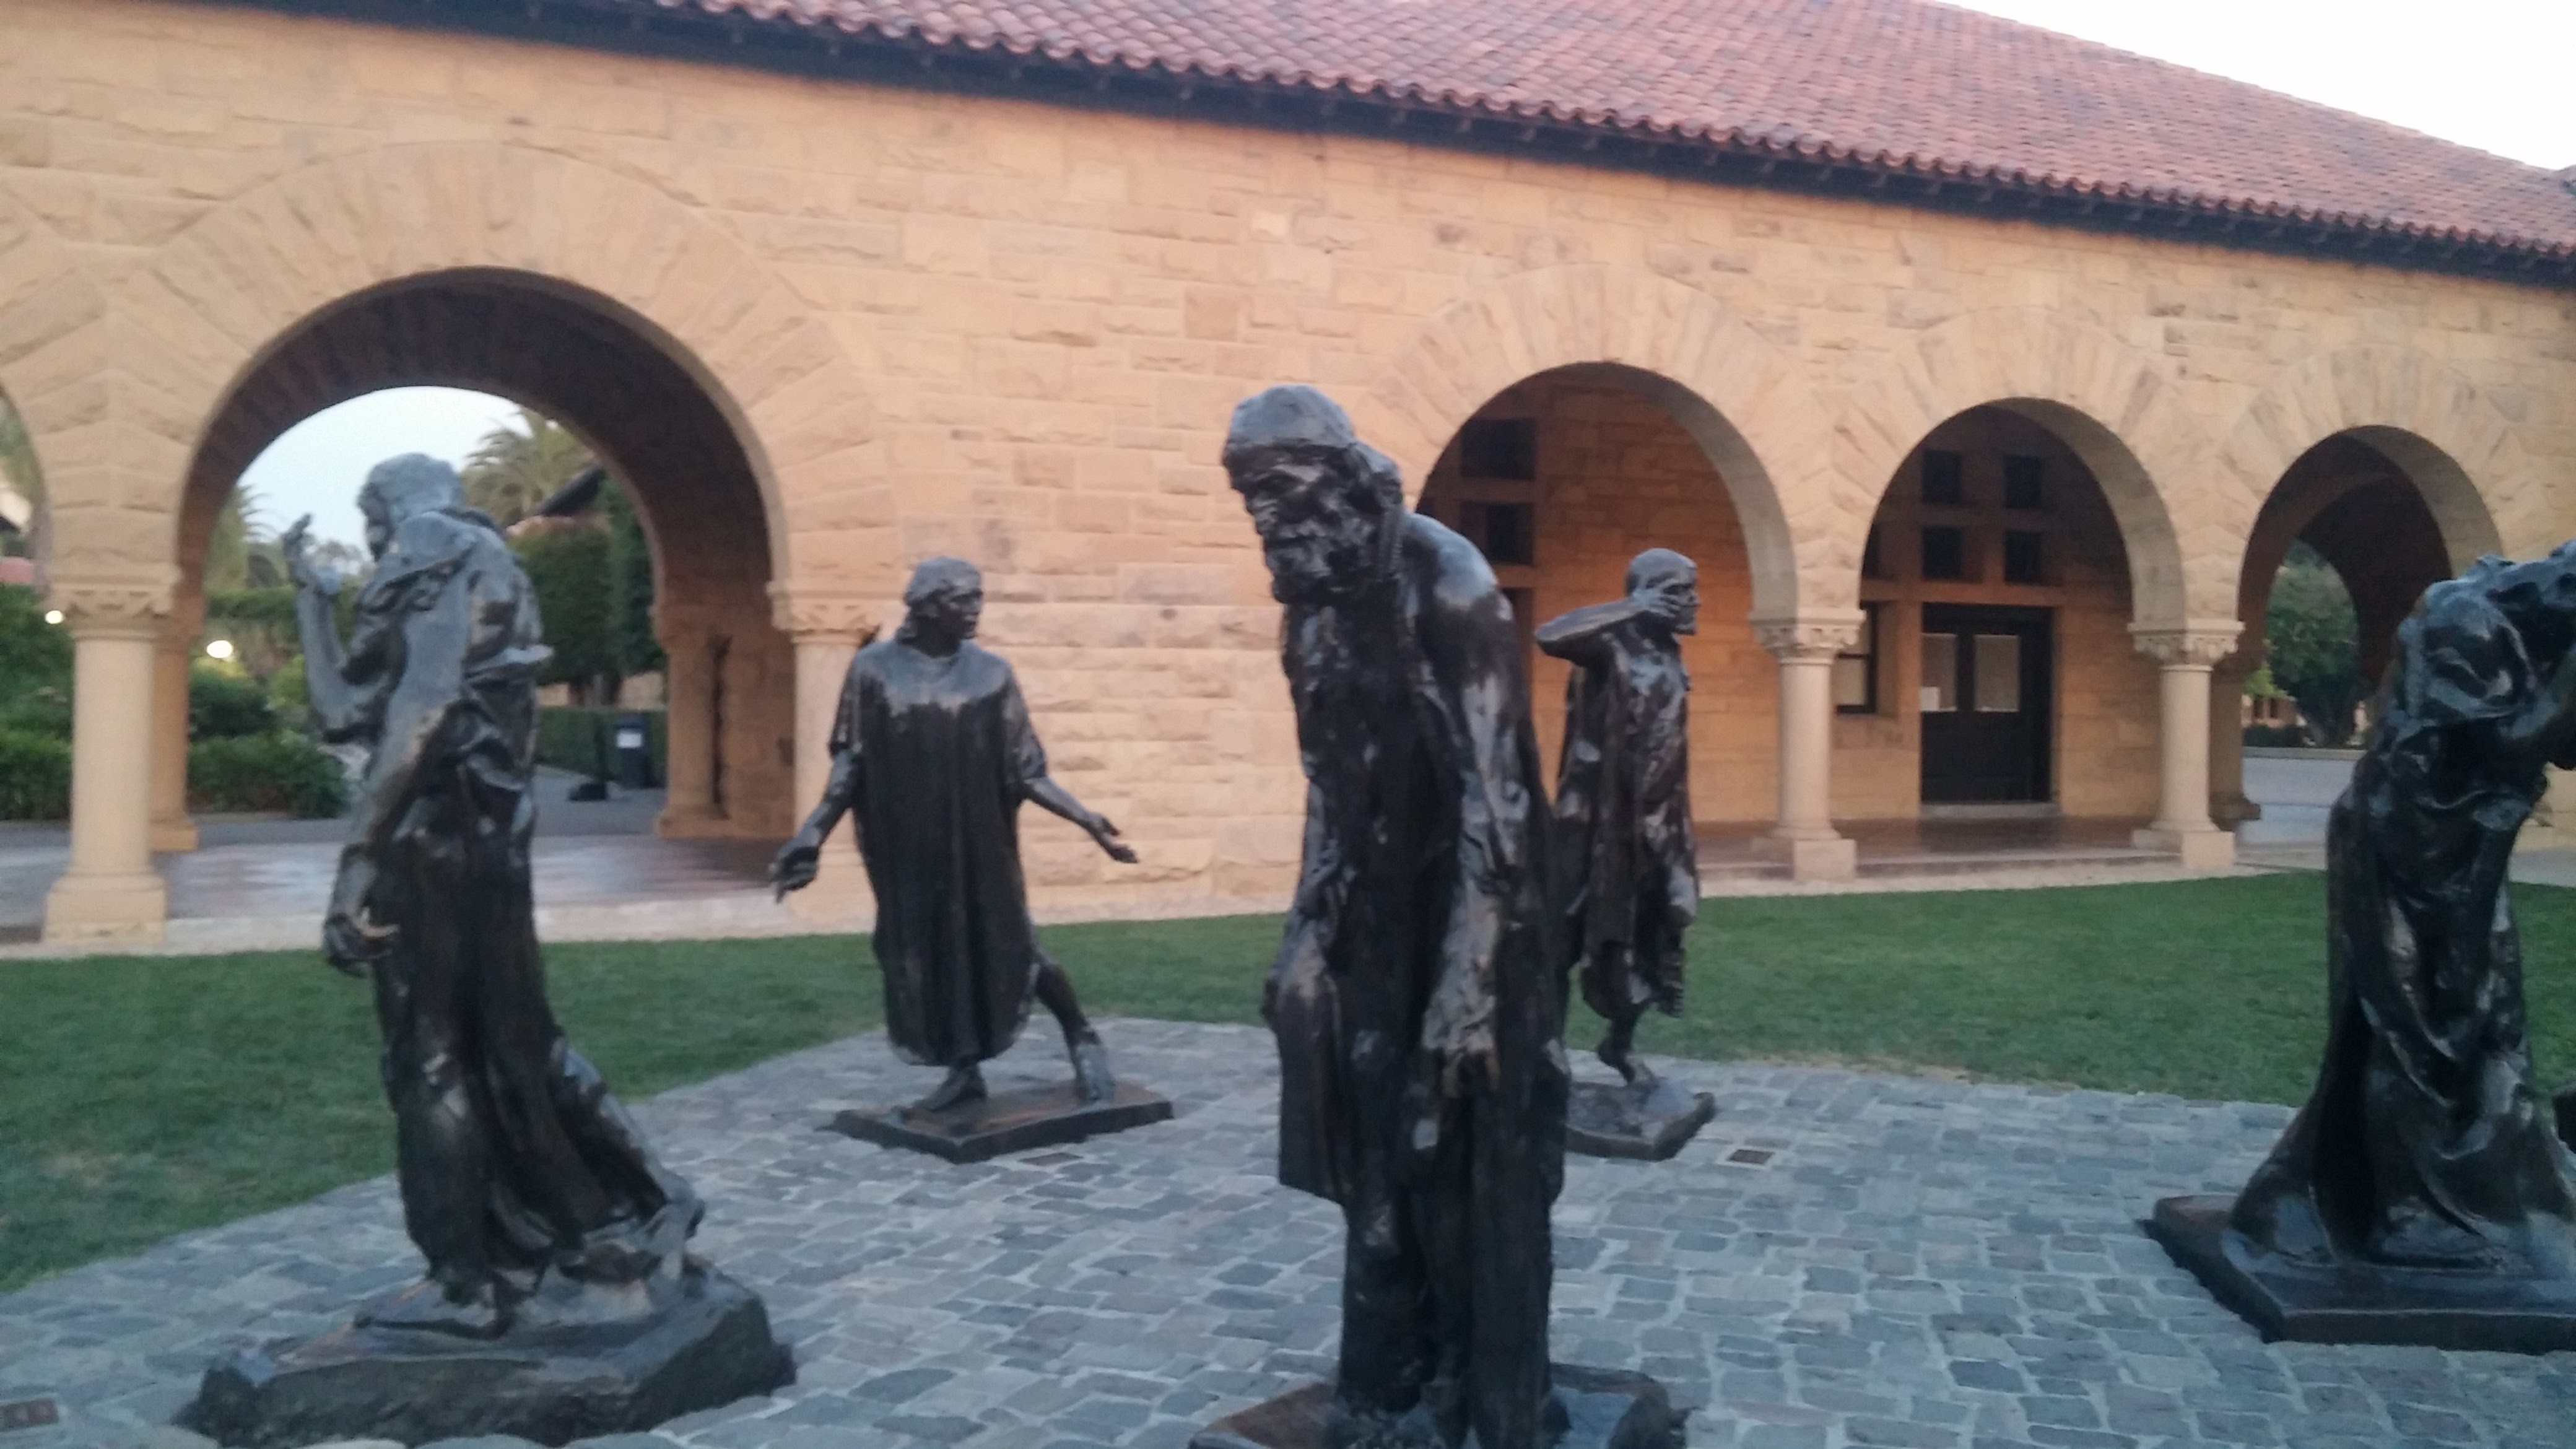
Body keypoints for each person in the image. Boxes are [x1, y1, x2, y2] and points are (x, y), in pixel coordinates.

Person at [282, 455, 700, 1338]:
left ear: (386, 506)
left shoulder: (431, 543)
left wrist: (357, 863)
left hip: (431, 843)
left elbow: (425, 706)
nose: (374, 543)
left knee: (430, 1059)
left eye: (369, 521)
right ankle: (636, 1204)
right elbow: (343, 713)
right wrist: (313, 604)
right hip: (487, 852)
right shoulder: (487, 565)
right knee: (519, 1045)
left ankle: (464, 1285)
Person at [1224, 385, 1565, 1449]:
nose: (1266, 520)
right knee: (1371, 1152)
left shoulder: (1451, 588)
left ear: (1340, 481)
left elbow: (1497, 807)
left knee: (1456, 1151)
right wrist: (1306, 931)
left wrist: (1468, 986)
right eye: (1249, 499)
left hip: (1484, 916)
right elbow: (1329, 787)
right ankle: (1383, 1380)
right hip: (1375, 913)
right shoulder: (1310, 604)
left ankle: (1481, 1392)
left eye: (1278, 493)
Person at [2230, 546, 2576, 1279]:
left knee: (2484, 1017)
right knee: (2416, 1031)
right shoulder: (2465, 619)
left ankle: (2497, 1186)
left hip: (2459, 848)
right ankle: (2407, 1215)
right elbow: (2508, 744)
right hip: (2404, 843)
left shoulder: (2524, 628)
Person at [771, 556, 1138, 1112]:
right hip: (906, 844)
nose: (975, 610)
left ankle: (1081, 1034)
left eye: (978, 597)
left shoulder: (992, 673)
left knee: (1013, 944)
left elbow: (1027, 770)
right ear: (926, 607)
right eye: (963, 599)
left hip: (979, 839)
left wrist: (1086, 819)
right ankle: (964, 1069)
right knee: (924, 950)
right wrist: (813, 832)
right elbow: (851, 763)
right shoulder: (873, 669)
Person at [1538, 550, 1700, 1089]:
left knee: (1648, 934)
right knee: (1559, 938)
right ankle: (1547, 1051)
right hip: (1586, 823)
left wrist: (1678, 847)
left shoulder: (1671, 656)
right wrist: (1632, 608)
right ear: (1648, 595)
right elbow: (1550, 635)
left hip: (1653, 823)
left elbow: (1671, 753)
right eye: (1680, 591)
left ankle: (1620, 1045)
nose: (1694, 601)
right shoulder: (1608, 646)